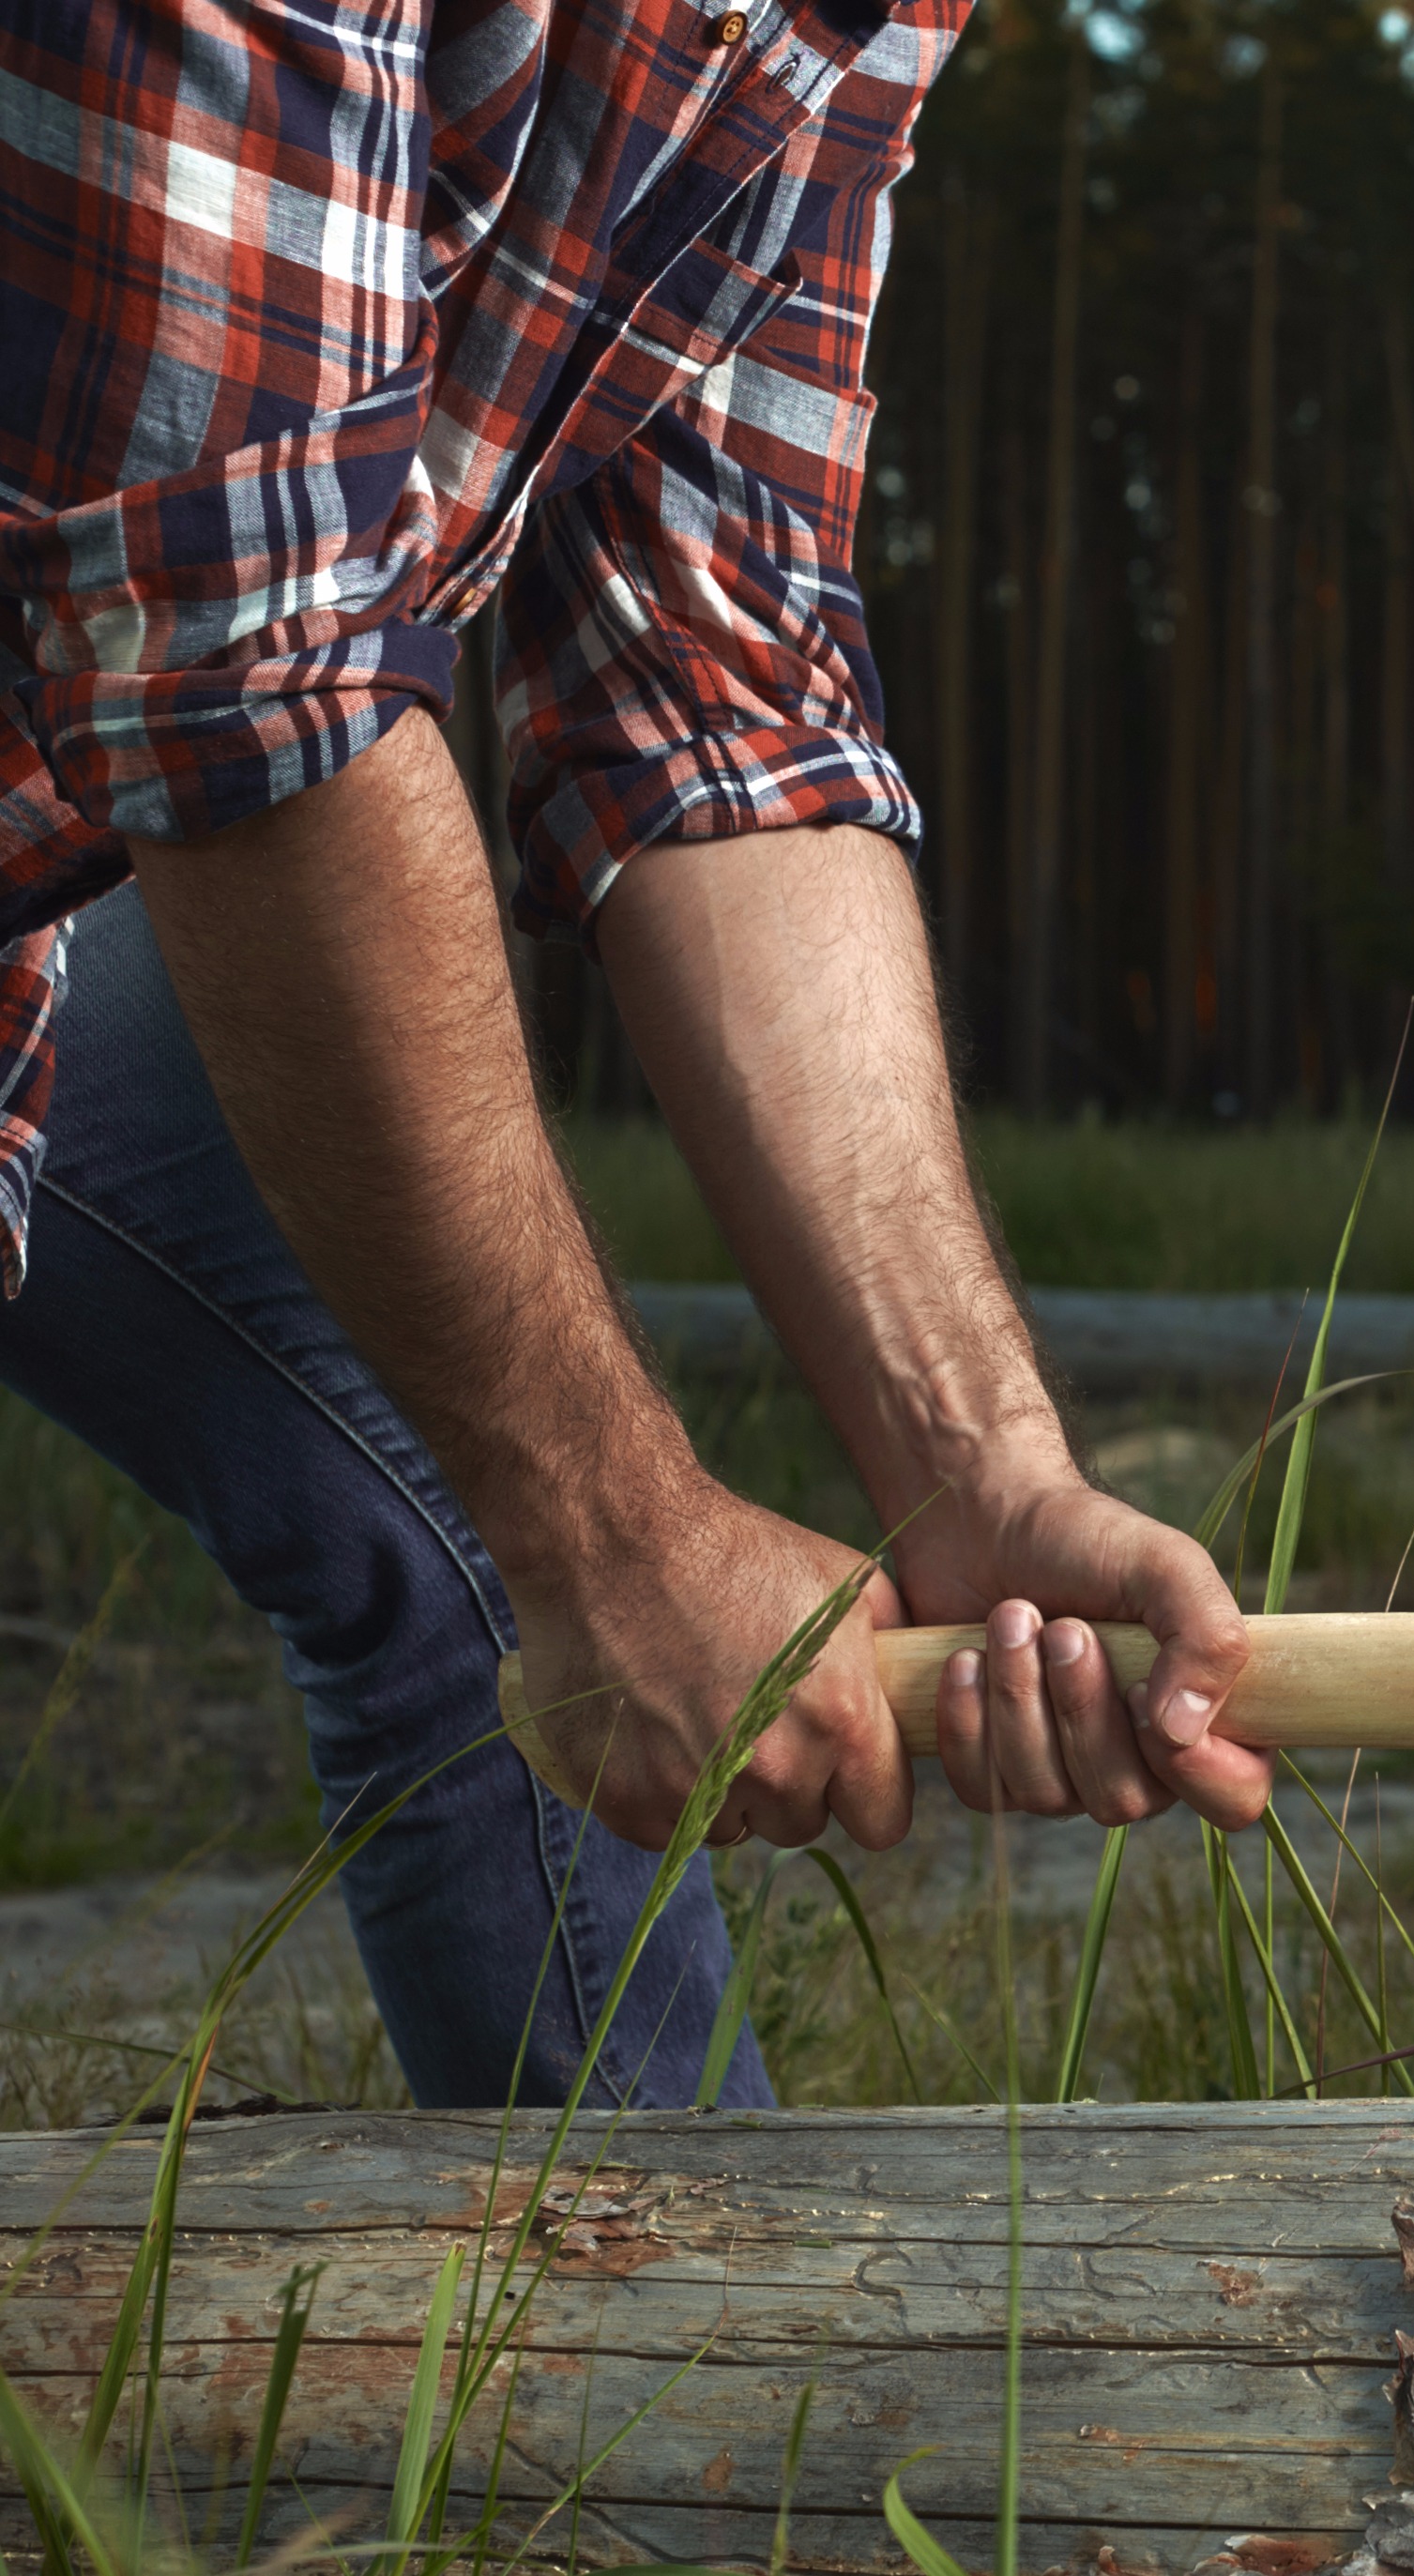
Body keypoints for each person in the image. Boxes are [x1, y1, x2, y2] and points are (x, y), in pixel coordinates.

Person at [0, 0, 1266, 2110]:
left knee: (485, 1541)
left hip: (67, 831)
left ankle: (658, 2391)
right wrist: (619, 1530)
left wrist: (986, 1469)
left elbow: (720, 669)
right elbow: (237, 646)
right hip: (152, 736)